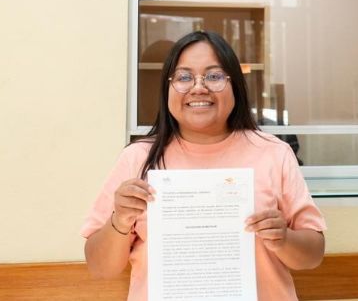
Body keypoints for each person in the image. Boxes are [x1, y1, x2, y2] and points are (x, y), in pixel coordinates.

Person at [81, 31, 326, 300]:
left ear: (235, 86)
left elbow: (313, 256)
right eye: (184, 77)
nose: (199, 88)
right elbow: (100, 268)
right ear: (167, 88)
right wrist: (120, 219)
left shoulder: (274, 153)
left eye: (214, 76)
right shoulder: (137, 158)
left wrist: (284, 239)